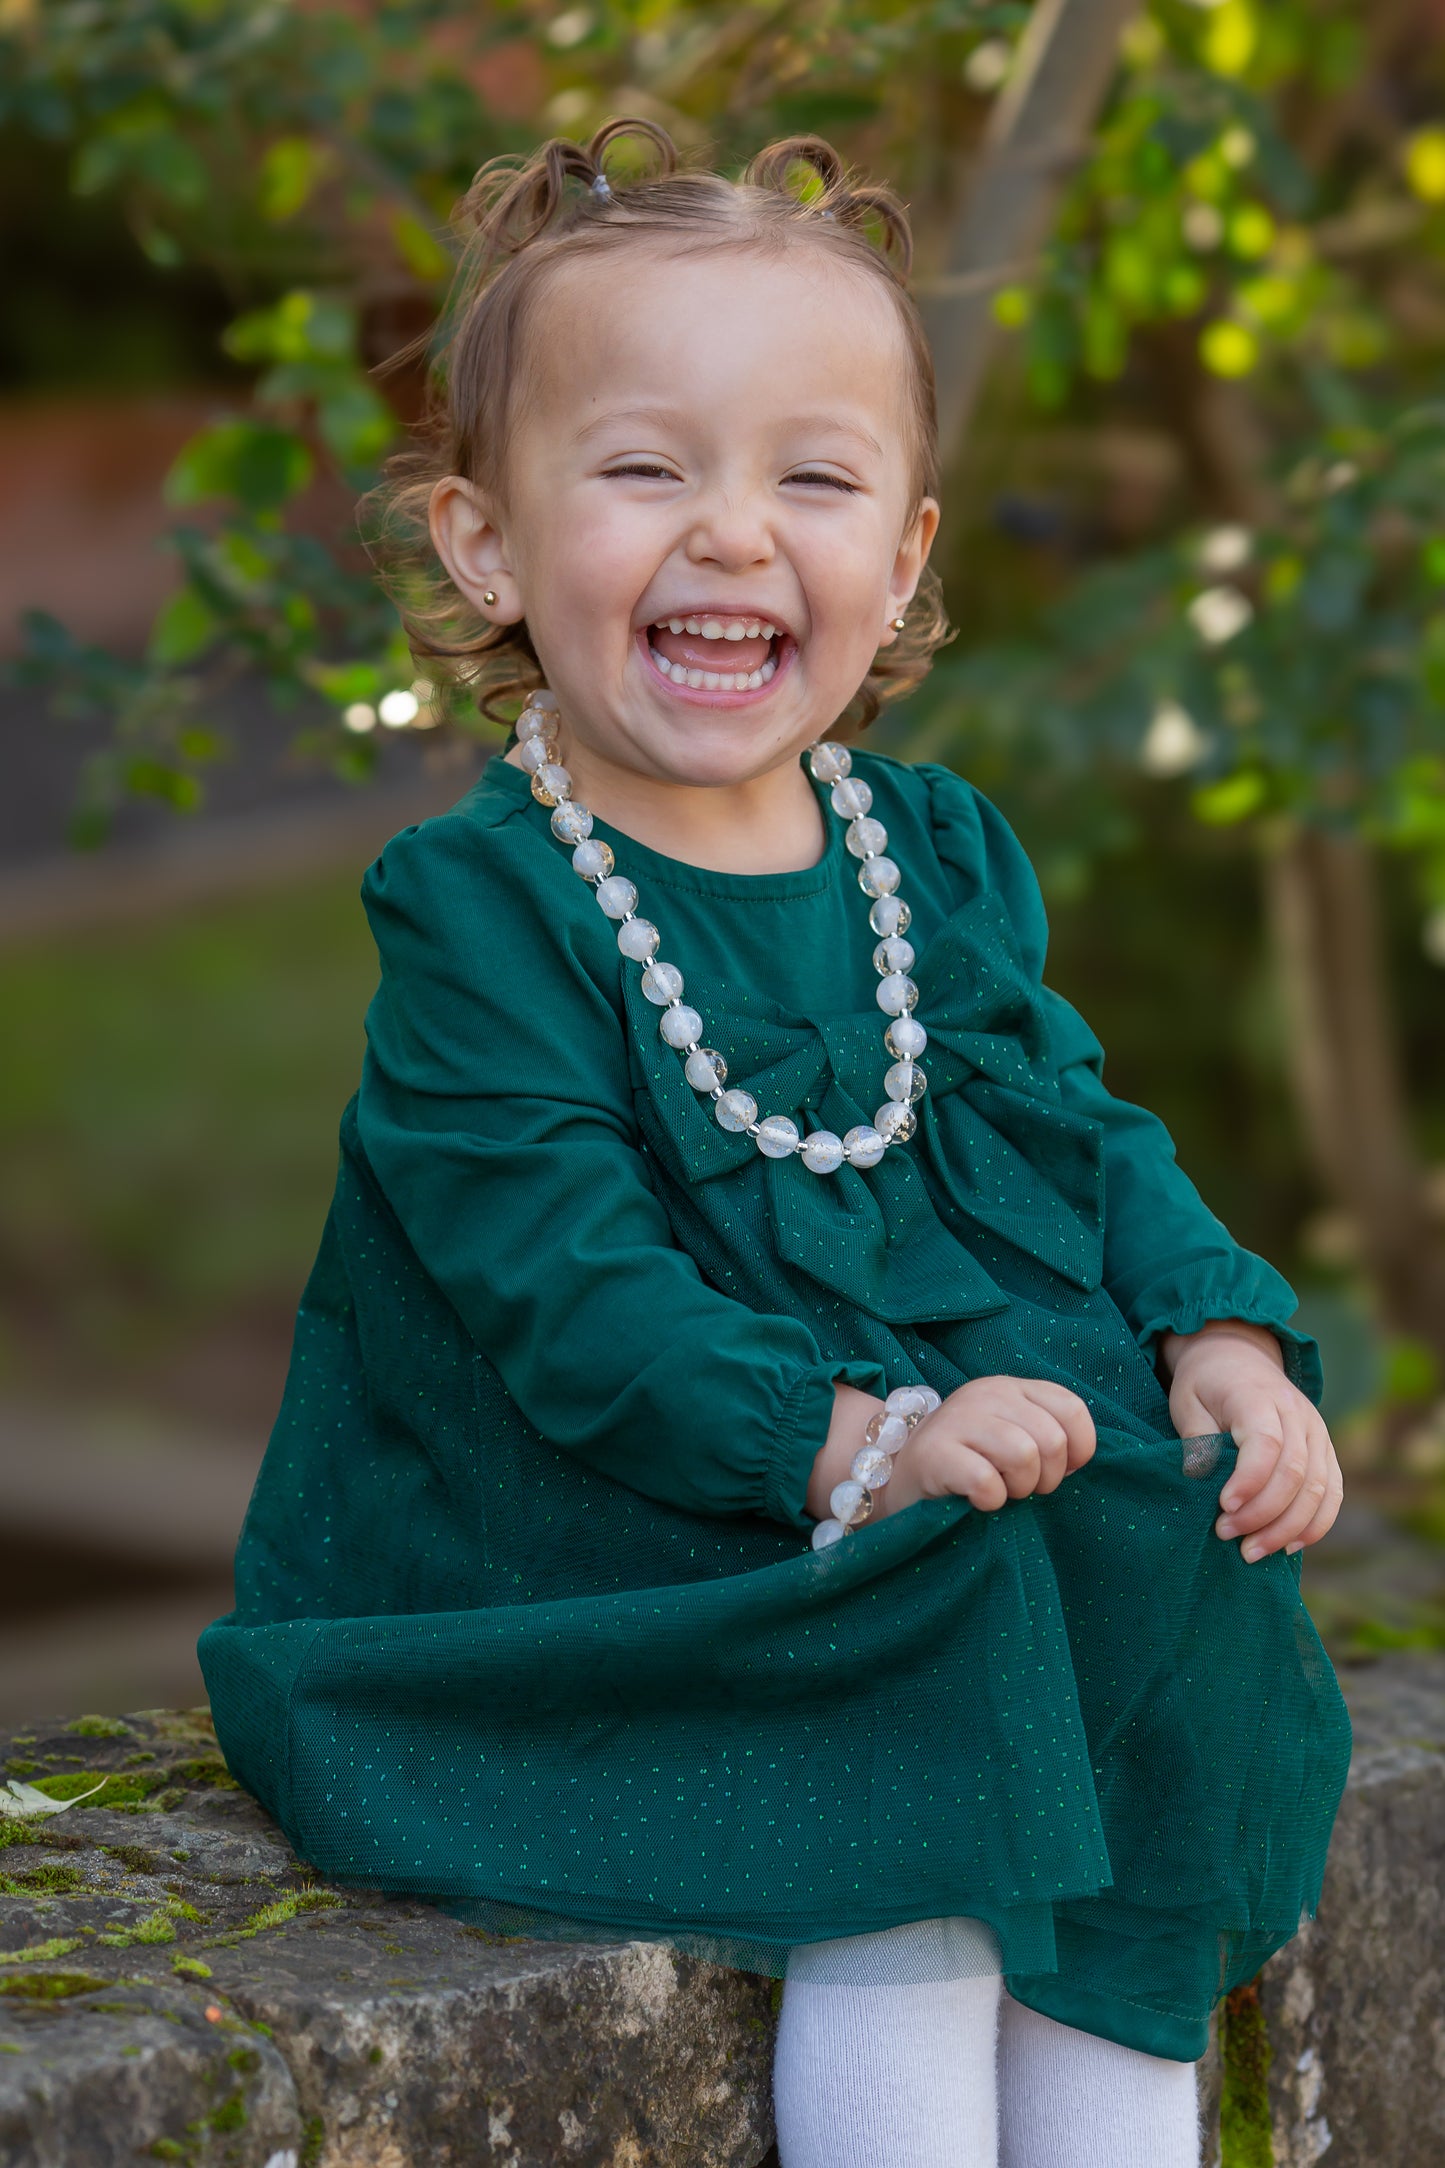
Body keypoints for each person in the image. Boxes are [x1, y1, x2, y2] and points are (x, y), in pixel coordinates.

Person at [200, 121, 1351, 2168]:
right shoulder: (488, 909)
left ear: (901, 559)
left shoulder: (932, 860)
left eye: (810, 479)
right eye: (646, 468)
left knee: (1177, 1588)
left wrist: (1218, 1336)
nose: (733, 534)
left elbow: (1075, 1127)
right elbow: (566, 1283)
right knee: (925, 1724)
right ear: (483, 543)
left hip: (922, 1473)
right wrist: (846, 1446)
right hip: (606, 1528)